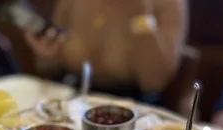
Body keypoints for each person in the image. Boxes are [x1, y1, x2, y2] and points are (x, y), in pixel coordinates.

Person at [24, 0, 188, 106]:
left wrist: (140, 15)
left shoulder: (168, 4)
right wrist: (46, 56)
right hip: (74, 98)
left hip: (134, 106)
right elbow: (53, 65)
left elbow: (154, 81)